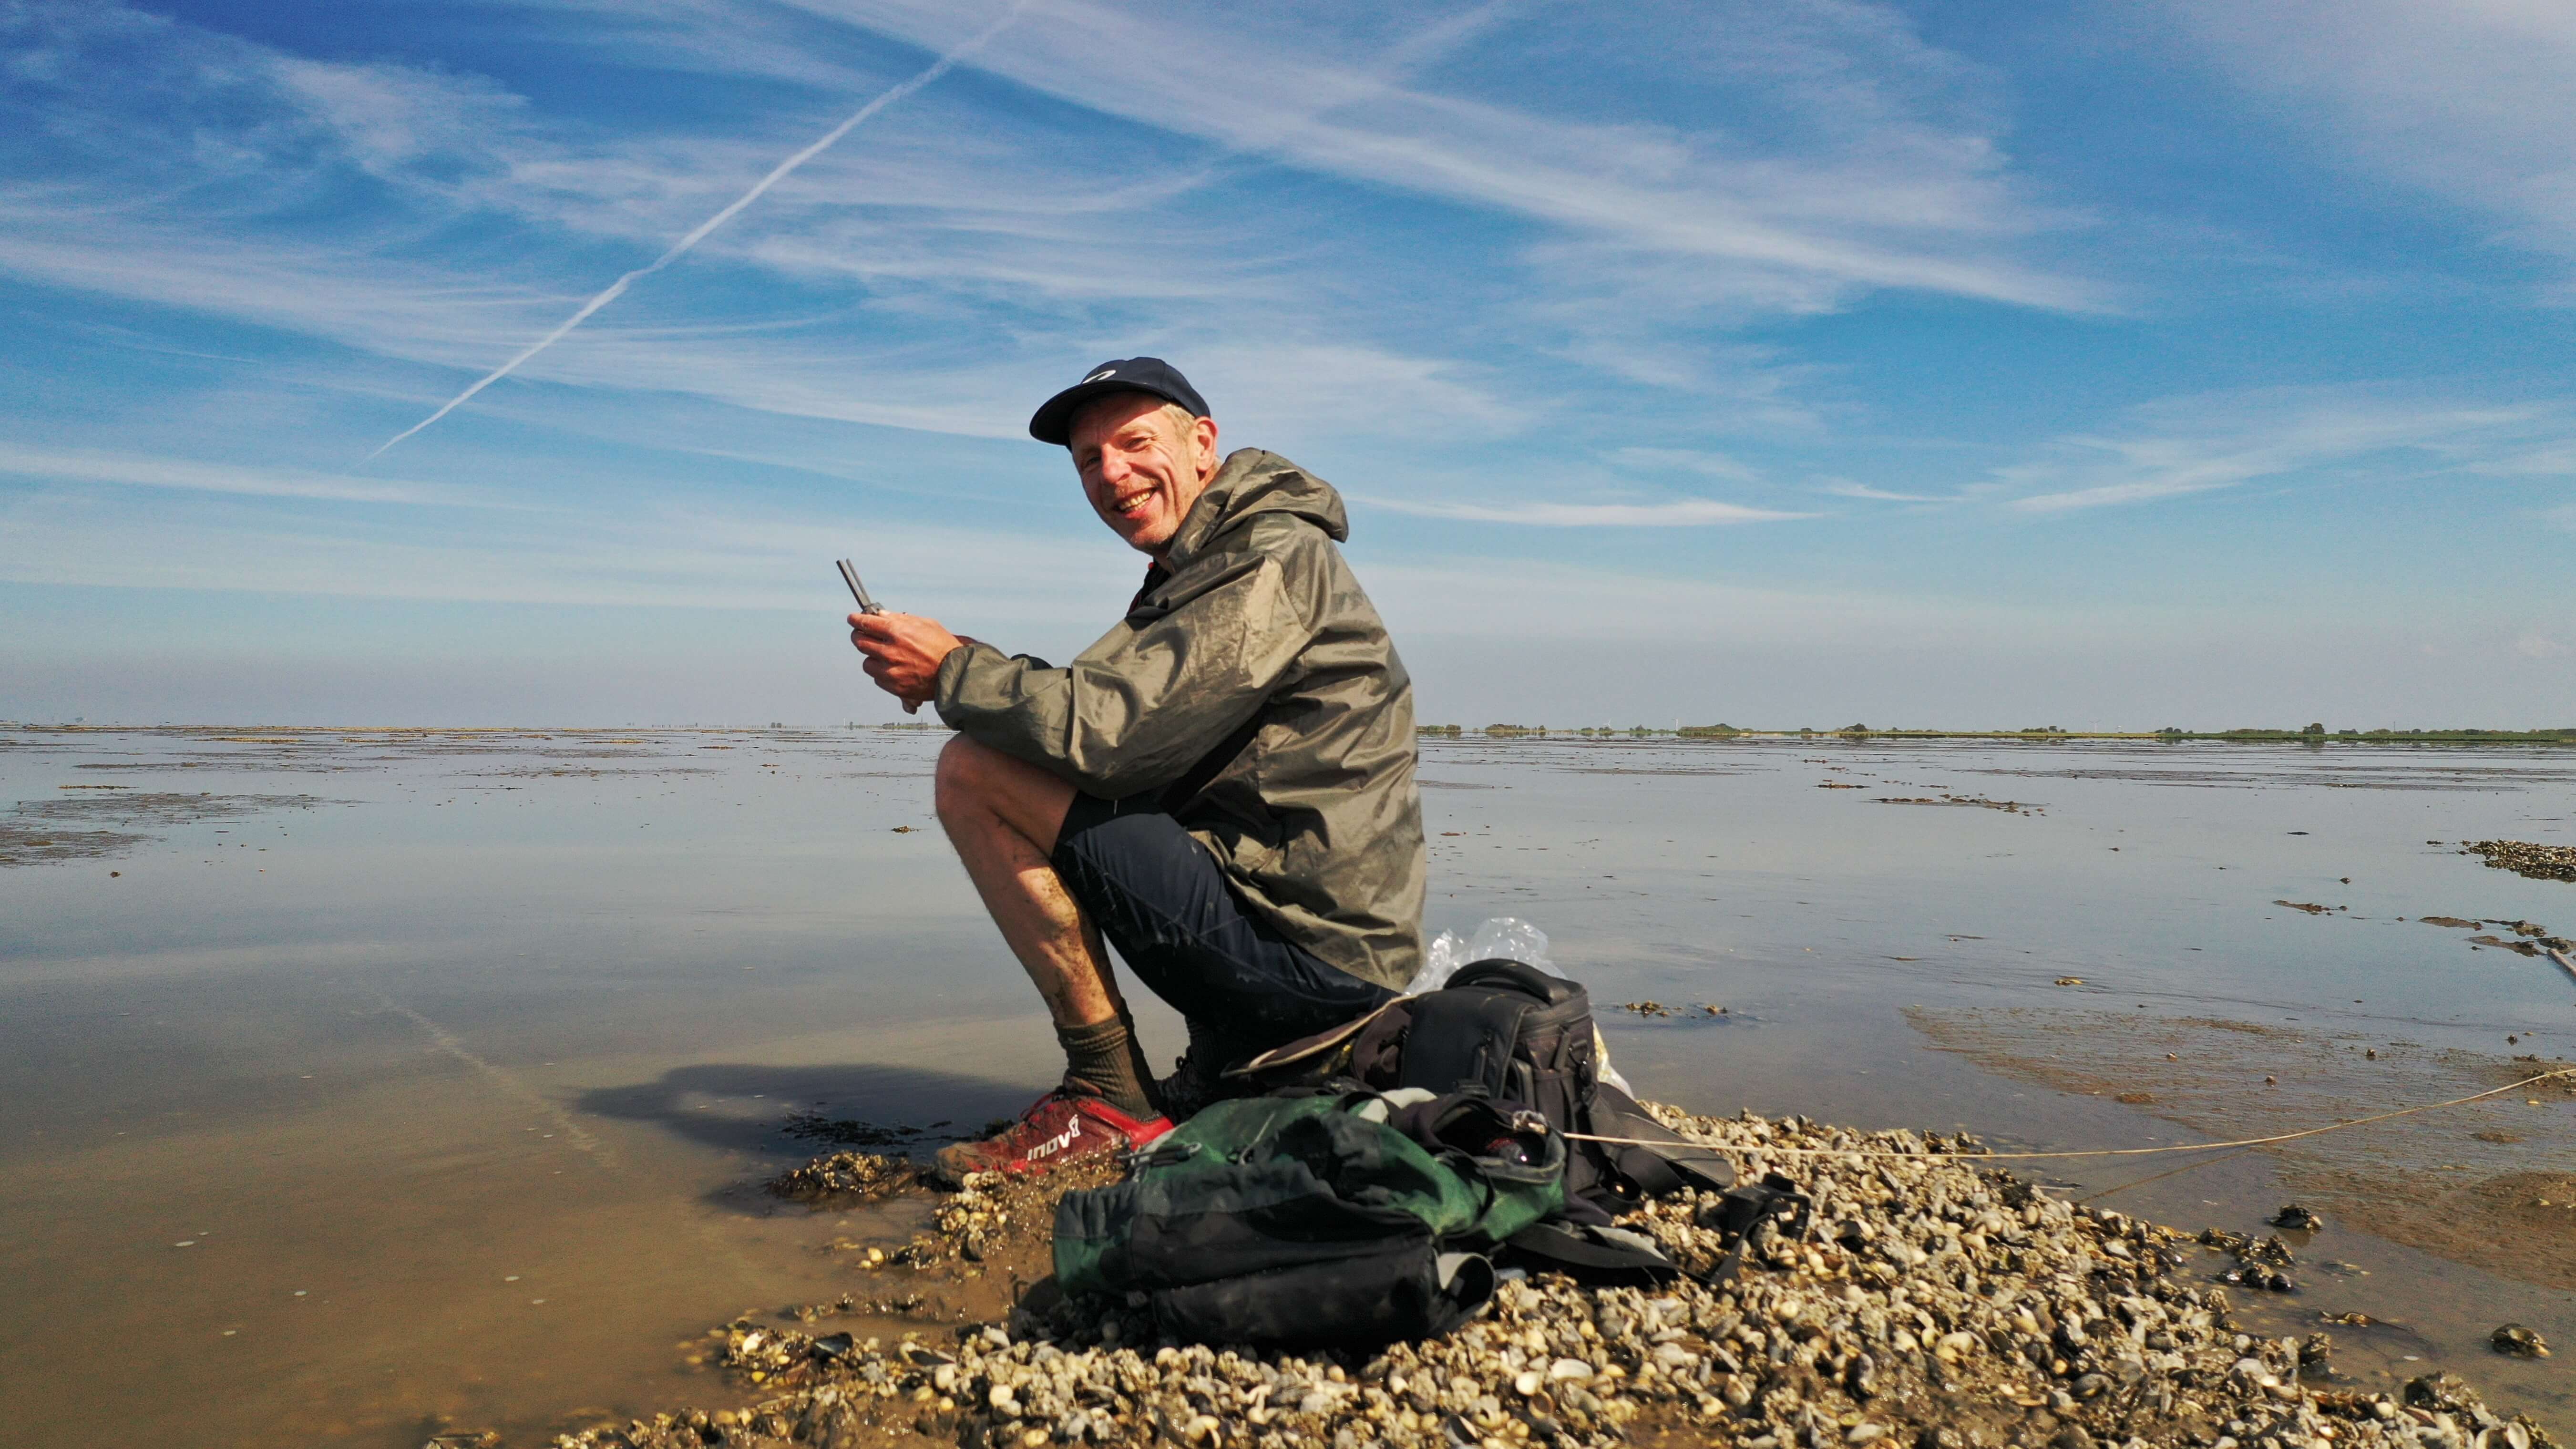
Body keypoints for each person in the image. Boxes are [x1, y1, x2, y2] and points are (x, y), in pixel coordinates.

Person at [848, 358, 1427, 1180]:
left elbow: (1114, 735)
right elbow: (1113, 716)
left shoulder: (1268, 558)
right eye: (1089, 459)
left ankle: (1108, 1094)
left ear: (1203, 444)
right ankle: (1216, 1064)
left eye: (1134, 443)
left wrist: (952, 672)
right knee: (1010, 754)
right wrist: (970, 668)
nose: (1112, 474)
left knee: (973, 770)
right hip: (1308, 953)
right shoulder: (1207, 564)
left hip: (1318, 972)